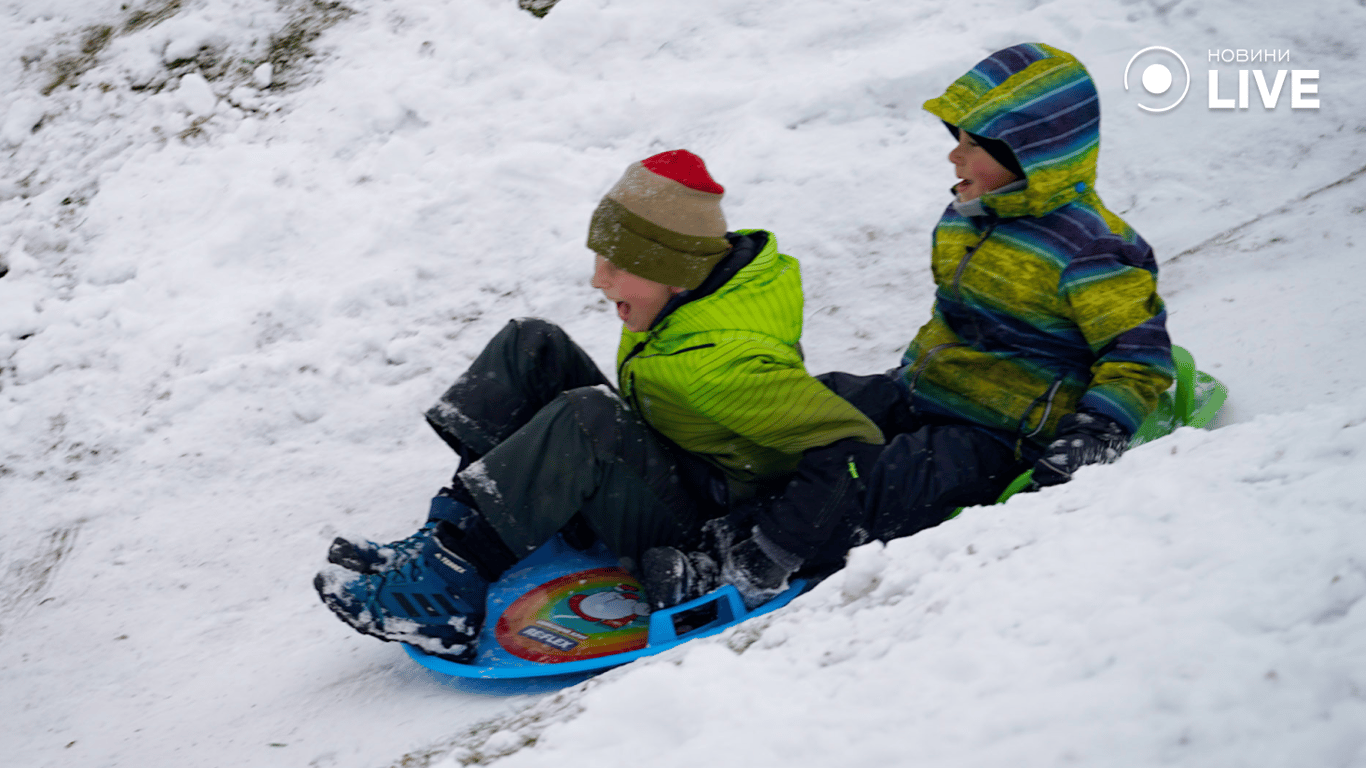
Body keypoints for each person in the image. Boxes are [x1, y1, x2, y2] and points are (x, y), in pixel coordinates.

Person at [643, 43, 1176, 611]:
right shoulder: (967, 219)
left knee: (878, 480)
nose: (955, 158)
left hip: (999, 435)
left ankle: (740, 562)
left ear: (1032, 156)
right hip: (921, 392)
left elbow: (1139, 357)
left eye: (974, 147)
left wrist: (1094, 436)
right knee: (817, 413)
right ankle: (730, 499)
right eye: (958, 140)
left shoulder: (1092, 248)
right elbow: (953, 317)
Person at [314, 149, 883, 661]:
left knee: (589, 419)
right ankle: (447, 538)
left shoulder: (726, 364)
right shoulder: (687, 295)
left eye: (616, 264)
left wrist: (767, 553)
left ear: (675, 272)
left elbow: (850, 445)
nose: (596, 279)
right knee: (531, 346)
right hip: (678, 460)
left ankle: (447, 591)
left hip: (701, 524)